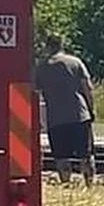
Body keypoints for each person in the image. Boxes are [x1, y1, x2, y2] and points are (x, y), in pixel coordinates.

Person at [35, 34, 96, 185]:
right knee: (86, 154)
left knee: (61, 157)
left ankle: (66, 184)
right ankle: (89, 184)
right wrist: (91, 110)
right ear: (62, 45)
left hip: (56, 119)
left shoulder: (41, 67)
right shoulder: (75, 62)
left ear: (47, 46)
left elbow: (34, 93)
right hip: (79, 115)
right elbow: (87, 88)